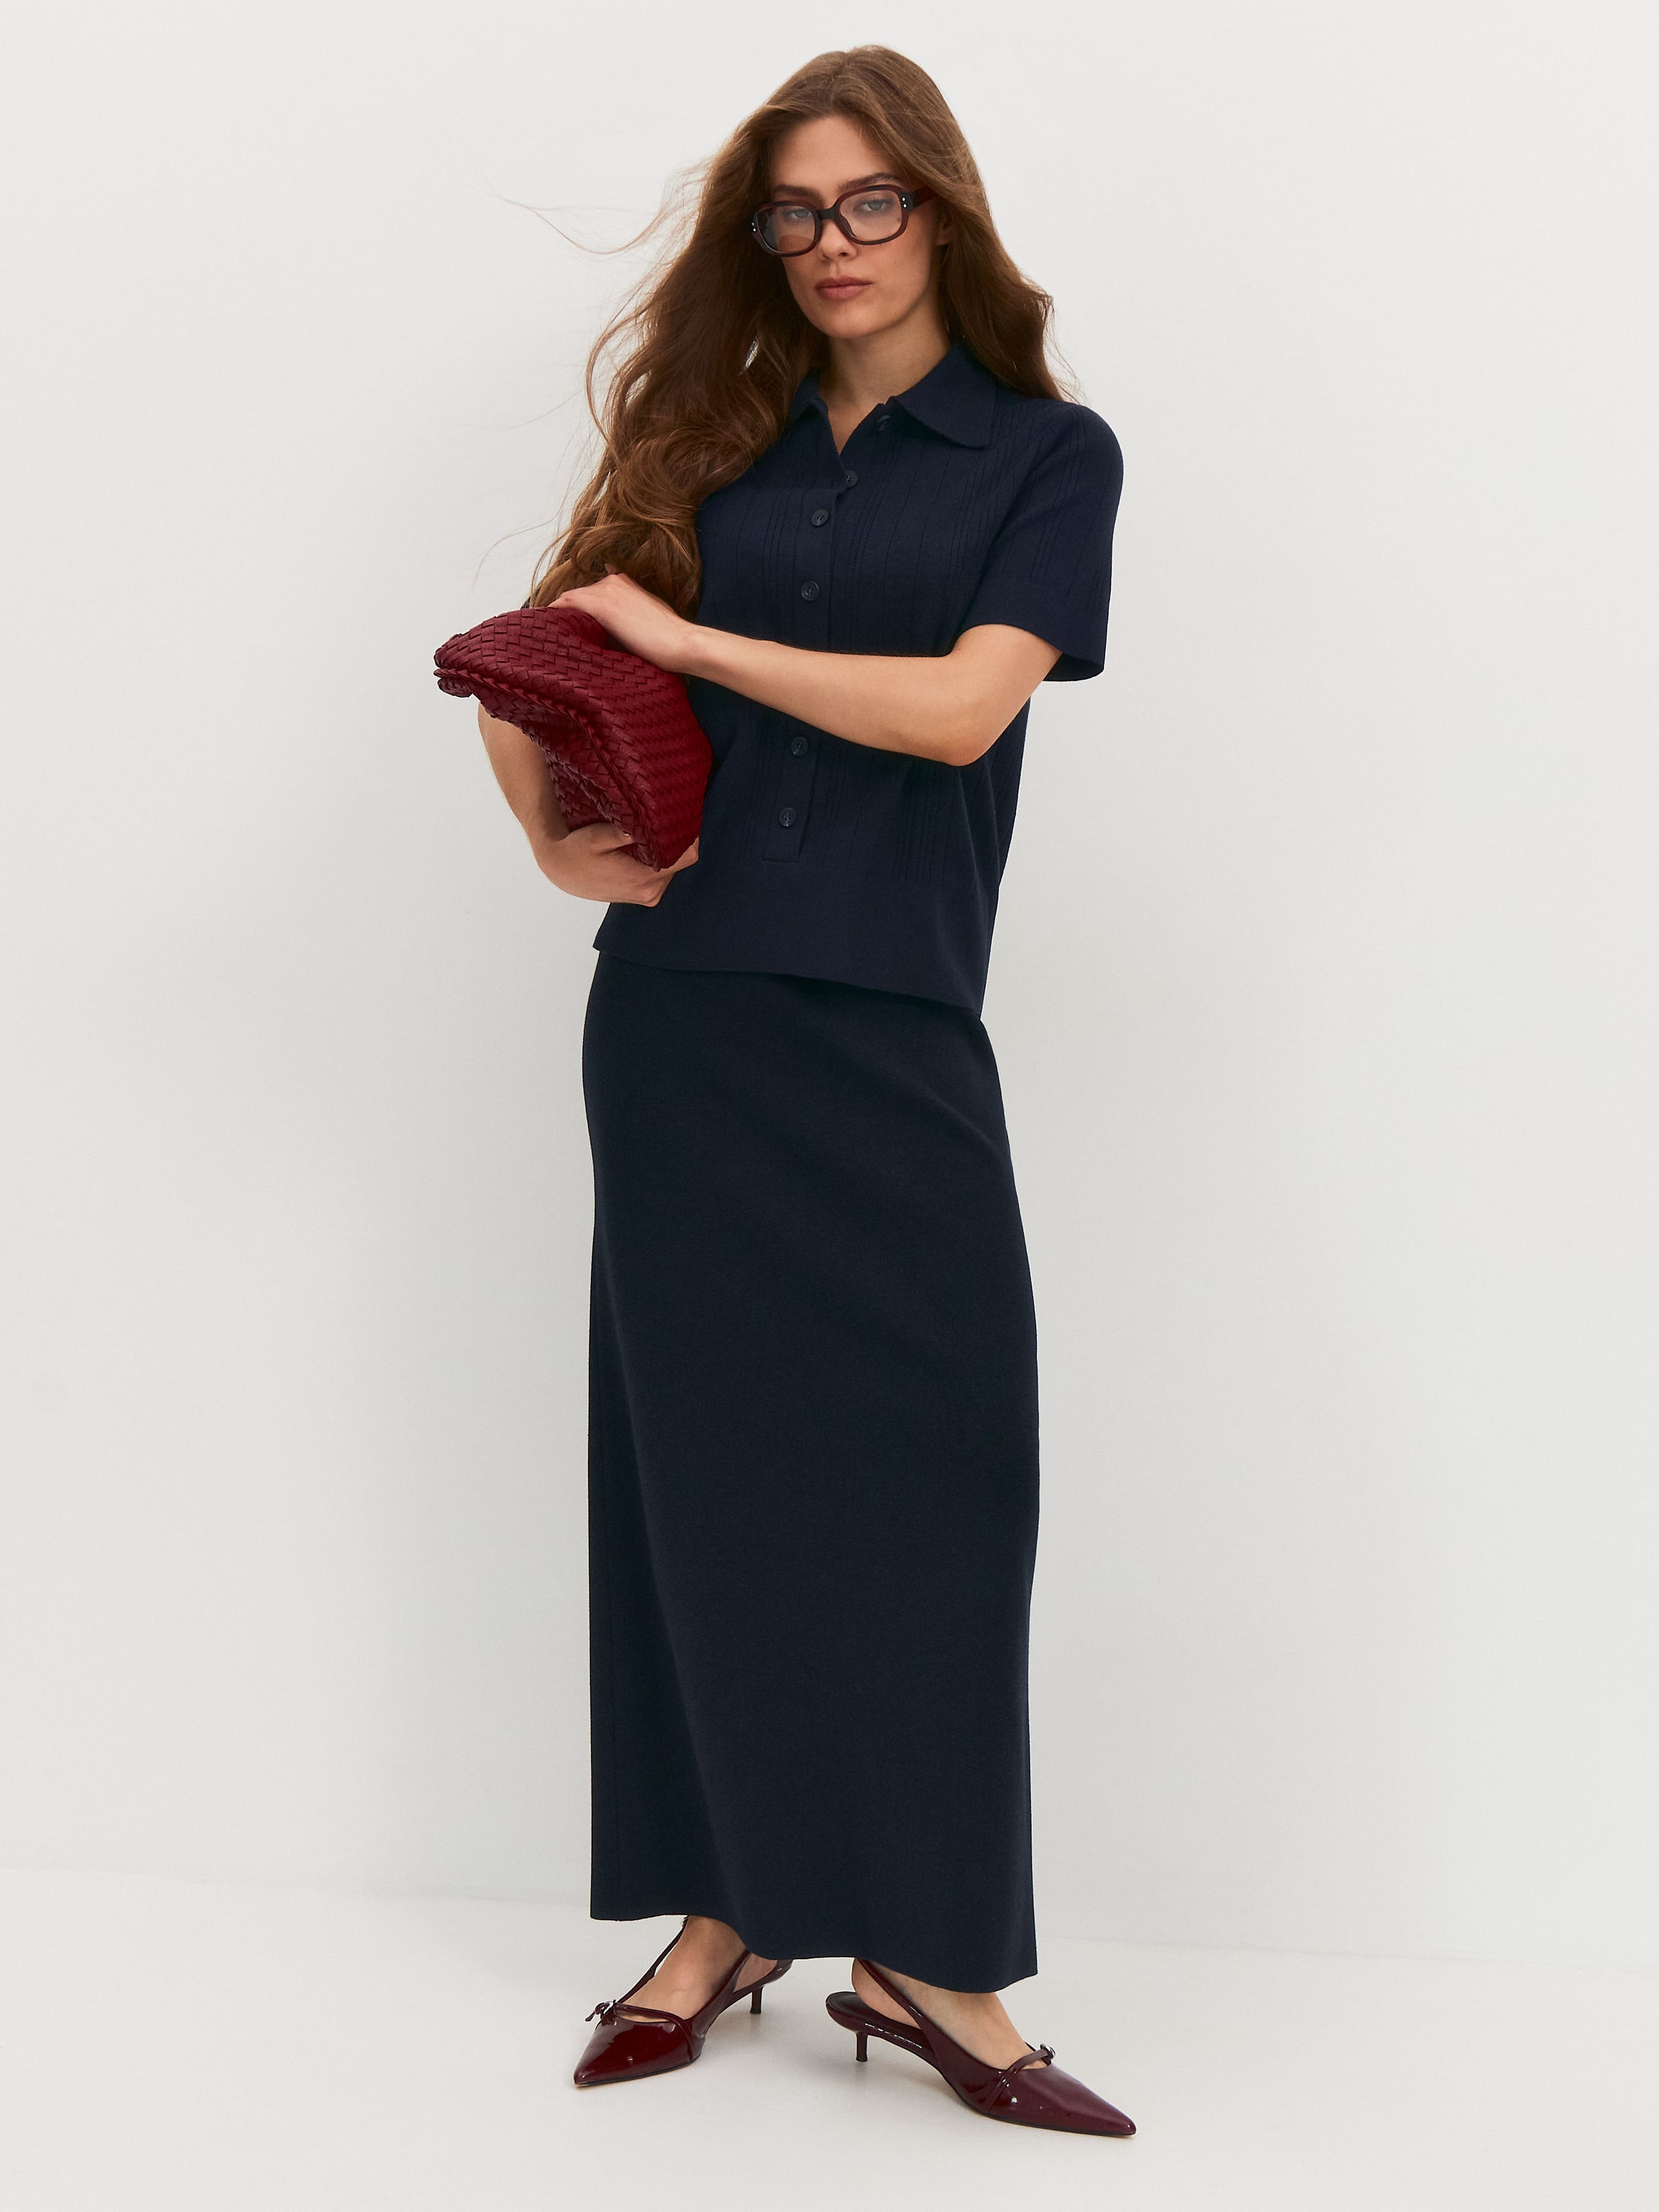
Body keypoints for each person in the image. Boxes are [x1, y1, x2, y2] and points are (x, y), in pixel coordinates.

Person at [474, 46, 1132, 2137]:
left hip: (894, 1016)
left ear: (940, 207)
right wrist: (551, 835)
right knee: (702, 1483)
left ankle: (928, 1955)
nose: (831, 244)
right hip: (683, 1021)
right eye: (794, 212)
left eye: (868, 203)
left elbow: (959, 713)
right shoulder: (713, 438)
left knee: (947, 1479)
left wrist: (700, 649)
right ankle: (724, 1915)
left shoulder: (1045, 455)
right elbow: (535, 652)